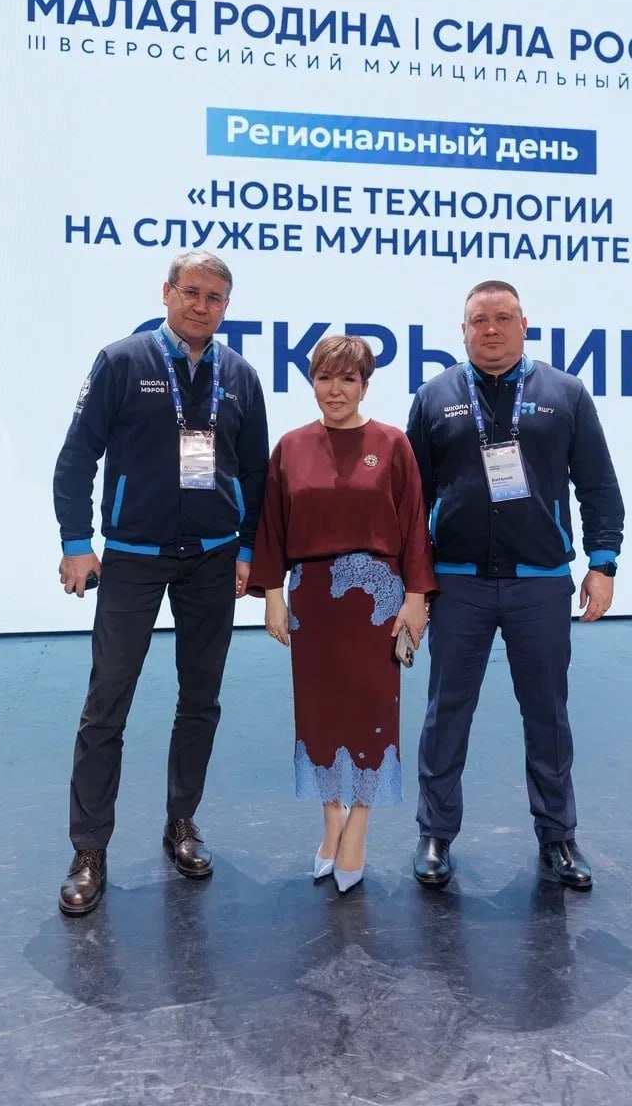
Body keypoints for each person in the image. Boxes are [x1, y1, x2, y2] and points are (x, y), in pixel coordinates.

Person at [53, 252, 268, 915]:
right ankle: (90, 849)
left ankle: (181, 823)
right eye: (191, 292)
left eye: (215, 298)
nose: (201, 306)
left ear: (226, 307)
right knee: (106, 704)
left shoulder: (240, 376)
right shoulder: (121, 361)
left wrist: (249, 550)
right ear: (167, 292)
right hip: (133, 558)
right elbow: (78, 455)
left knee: (200, 700)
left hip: (212, 558)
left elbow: (255, 473)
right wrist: (75, 543)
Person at [407, 280, 624, 892]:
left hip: (541, 584)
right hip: (457, 584)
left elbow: (598, 485)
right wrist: (415, 584)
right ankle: (435, 834)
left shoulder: (565, 394)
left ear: (524, 325)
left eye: (503, 318)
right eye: (480, 319)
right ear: (463, 329)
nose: (492, 329)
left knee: (547, 714)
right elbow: (411, 499)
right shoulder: (434, 397)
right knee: (446, 712)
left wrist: (603, 563)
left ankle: (558, 835)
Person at [249, 335, 436, 893]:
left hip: (377, 601)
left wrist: (417, 598)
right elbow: (272, 526)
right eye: (325, 378)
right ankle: (331, 821)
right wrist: (274, 594)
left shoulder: (392, 444)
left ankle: (359, 826)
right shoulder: (290, 447)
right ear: (312, 382)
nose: (336, 390)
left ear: (364, 386)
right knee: (320, 714)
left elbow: (415, 525)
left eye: (348, 379)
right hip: (312, 600)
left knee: (373, 712)